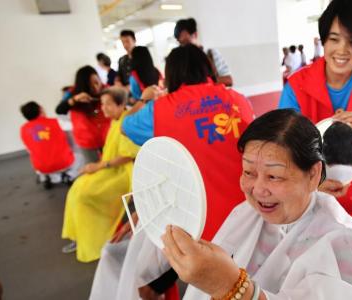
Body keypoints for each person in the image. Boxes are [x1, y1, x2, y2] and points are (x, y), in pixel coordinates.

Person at [131, 109, 352, 299]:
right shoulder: (246, 214)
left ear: (314, 174)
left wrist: (231, 287)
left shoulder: (341, 245)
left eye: (274, 176)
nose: (257, 189)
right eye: (248, 172)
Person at [89, 44, 254, 300]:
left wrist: (145, 98)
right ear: (207, 68)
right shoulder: (237, 100)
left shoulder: (160, 109)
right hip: (247, 216)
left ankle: (156, 288)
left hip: (193, 219)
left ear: (171, 73)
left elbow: (125, 127)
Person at [278, 0, 352, 232]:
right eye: (334, 39)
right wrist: (310, 184)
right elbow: (283, 142)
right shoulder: (298, 85)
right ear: (323, 39)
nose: (342, 50)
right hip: (306, 194)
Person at [61, 87, 140, 263]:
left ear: (120, 104)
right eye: (102, 104)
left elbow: (128, 155)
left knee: (84, 195)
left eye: (108, 104)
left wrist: (97, 166)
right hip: (109, 169)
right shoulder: (115, 120)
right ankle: (81, 237)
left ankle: (97, 238)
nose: (103, 108)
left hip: (123, 173)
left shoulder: (126, 122)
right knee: (76, 189)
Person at [56, 66, 110, 164]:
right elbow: (59, 110)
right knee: (93, 168)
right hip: (86, 140)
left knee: (110, 165)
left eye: (97, 82)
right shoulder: (72, 93)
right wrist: (75, 99)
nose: (96, 87)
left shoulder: (107, 90)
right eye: (90, 85)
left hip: (107, 137)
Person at [20, 101, 74, 189]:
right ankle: (65, 175)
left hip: (41, 167)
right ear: (40, 110)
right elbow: (74, 126)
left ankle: (46, 177)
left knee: (35, 155)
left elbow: (29, 149)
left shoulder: (23, 129)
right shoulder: (57, 122)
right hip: (64, 162)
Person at [174, 18, 233, 87]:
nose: (183, 46)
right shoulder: (180, 60)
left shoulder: (210, 54)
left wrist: (204, 82)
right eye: (180, 43)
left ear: (195, 35)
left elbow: (228, 80)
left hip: (211, 96)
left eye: (186, 42)